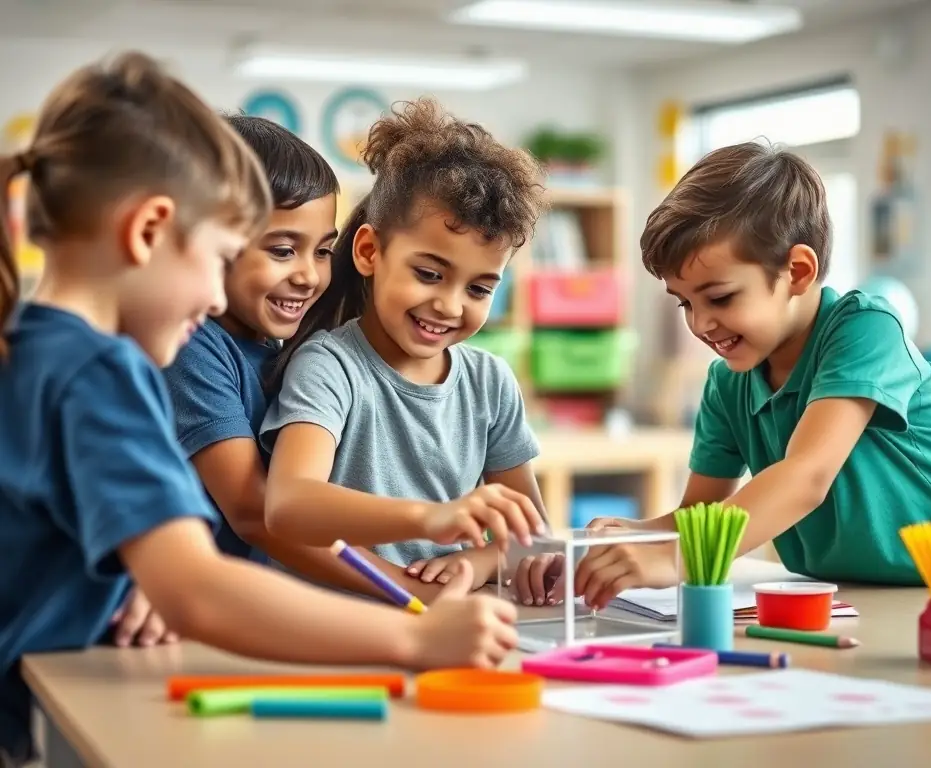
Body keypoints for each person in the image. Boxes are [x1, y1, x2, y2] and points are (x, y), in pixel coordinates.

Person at [0, 52, 524, 767]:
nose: (217, 300)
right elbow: (202, 591)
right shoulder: (101, 370)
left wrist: (140, 575)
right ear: (149, 230)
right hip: (38, 719)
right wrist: (414, 638)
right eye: (218, 258)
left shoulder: (33, 347)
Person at [570, 141, 931, 608]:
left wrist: (676, 557)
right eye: (685, 302)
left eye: (720, 297)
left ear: (798, 271)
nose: (700, 323)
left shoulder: (865, 329)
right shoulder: (727, 382)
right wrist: (643, 535)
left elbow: (807, 475)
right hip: (853, 602)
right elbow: (702, 514)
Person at [260, 97, 554, 604]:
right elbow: (287, 503)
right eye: (429, 274)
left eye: (479, 289)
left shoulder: (491, 381)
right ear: (370, 251)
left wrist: (479, 559)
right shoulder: (330, 367)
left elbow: (533, 538)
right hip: (336, 625)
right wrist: (432, 519)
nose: (449, 305)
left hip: (439, 622)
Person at [162, 114, 394, 604]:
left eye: (324, 251)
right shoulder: (192, 348)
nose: (309, 276)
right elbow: (255, 512)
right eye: (284, 250)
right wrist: (407, 590)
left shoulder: (281, 344)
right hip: (194, 615)